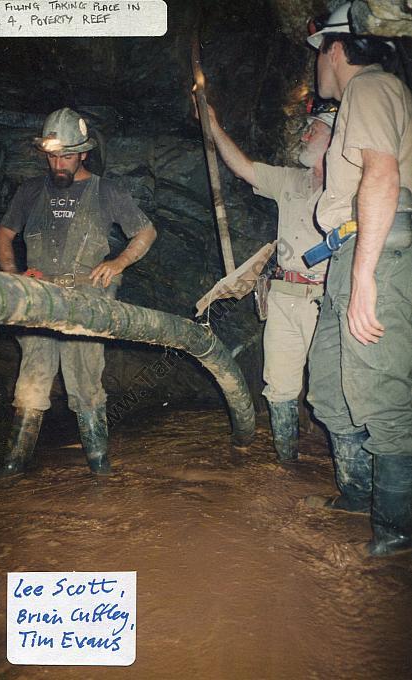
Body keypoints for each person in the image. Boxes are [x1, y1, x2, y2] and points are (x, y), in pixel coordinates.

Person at [0, 107, 157, 479]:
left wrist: (118, 263)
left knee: (85, 383)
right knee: (31, 382)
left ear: (83, 153)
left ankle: (100, 467)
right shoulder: (31, 191)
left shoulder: (106, 191)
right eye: (52, 156)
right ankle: (13, 469)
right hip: (39, 297)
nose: (59, 164)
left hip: (86, 301)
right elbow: (4, 235)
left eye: (67, 155)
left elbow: (145, 232)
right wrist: (13, 277)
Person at [305, 2, 412, 556]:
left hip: (381, 246)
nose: (315, 67)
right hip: (353, 245)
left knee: (379, 385)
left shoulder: (371, 87)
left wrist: (366, 275)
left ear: (337, 48)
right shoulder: (365, 95)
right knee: (328, 382)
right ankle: (358, 491)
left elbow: (383, 173)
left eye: (318, 53)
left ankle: (397, 528)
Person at [195, 100, 336, 462]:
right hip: (284, 295)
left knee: (332, 389)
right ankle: (286, 467)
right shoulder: (291, 179)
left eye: (314, 130)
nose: (305, 135)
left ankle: (350, 485)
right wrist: (212, 123)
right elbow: (243, 168)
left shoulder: (349, 187)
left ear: (336, 138)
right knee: (279, 386)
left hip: (328, 298)